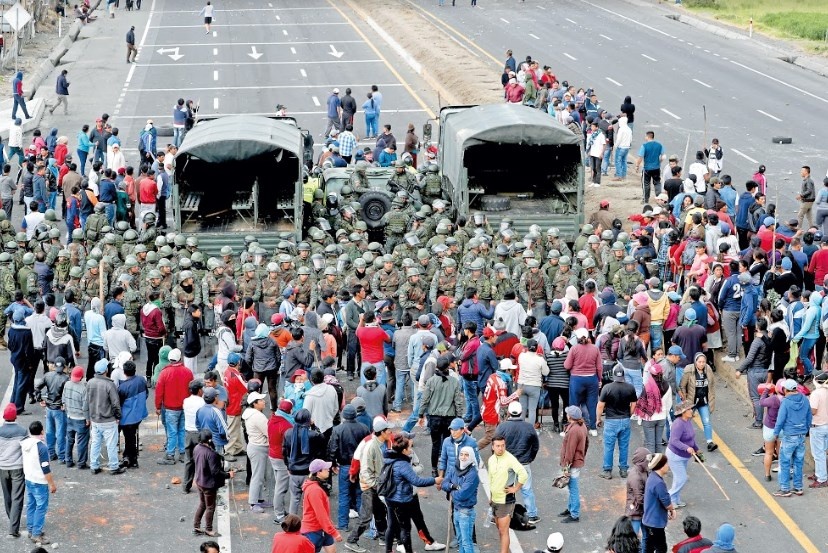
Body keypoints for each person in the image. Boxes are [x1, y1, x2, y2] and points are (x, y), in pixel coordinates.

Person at [344, 417, 390, 553]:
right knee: (366, 516)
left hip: (375, 485)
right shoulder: (371, 446)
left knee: (380, 512)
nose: (390, 433)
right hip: (370, 487)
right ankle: (351, 540)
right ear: (382, 432)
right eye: (388, 431)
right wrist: (375, 485)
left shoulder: (378, 443)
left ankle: (383, 537)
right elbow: (365, 470)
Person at [383, 433, 436, 553]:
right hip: (401, 500)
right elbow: (417, 481)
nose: (411, 449)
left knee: (394, 525)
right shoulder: (402, 464)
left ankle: (389, 550)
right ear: (404, 450)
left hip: (392, 497)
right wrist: (435, 480)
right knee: (405, 528)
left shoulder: (389, 457)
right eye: (409, 448)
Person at [495, 403, 539, 523]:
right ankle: (532, 514)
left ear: (509, 412)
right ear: (521, 412)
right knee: (527, 489)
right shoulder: (529, 427)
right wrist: (530, 457)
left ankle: (498, 513)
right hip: (523, 462)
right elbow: (535, 445)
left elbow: (496, 444)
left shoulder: (502, 427)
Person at [328, 403, 369, 530]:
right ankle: (363, 523)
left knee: (344, 495)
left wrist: (333, 464)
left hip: (345, 466)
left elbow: (332, 449)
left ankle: (342, 524)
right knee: (361, 494)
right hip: (360, 467)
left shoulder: (338, 430)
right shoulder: (364, 428)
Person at [419, 356, 464, 471]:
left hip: (434, 418)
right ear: (448, 366)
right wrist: (459, 417)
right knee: (449, 444)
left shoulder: (431, 381)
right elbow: (458, 401)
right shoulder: (454, 381)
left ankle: (434, 468)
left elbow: (425, 400)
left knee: (435, 445)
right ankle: (447, 468)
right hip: (449, 418)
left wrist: (421, 414)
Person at [772, 379, 812, 497]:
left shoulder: (785, 402)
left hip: (789, 436)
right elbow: (809, 417)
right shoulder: (805, 399)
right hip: (801, 436)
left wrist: (775, 434)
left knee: (784, 463)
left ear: (785, 390)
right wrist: (805, 429)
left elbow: (780, 420)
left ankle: (785, 489)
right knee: (798, 462)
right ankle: (798, 487)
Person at [283, 408, 326, 516]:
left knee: (294, 499)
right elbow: (322, 443)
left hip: (293, 471)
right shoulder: (313, 435)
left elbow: (284, 452)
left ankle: (291, 523)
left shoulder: (288, 433)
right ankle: (309, 522)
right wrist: (314, 426)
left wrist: (288, 466)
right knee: (310, 500)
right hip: (308, 473)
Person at [597, 365, 637, 480]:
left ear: (613, 375)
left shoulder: (607, 387)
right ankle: (623, 469)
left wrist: (598, 419)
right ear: (623, 375)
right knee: (624, 446)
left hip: (611, 420)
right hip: (624, 419)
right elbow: (634, 404)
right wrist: (629, 414)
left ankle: (607, 470)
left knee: (609, 446)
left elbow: (600, 405)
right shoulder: (630, 388)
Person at [488, 435, 527, 551]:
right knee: (500, 530)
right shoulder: (491, 459)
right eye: (498, 446)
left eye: (503, 445)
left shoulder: (510, 459)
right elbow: (491, 479)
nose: (501, 448)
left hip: (506, 501)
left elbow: (523, 474)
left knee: (504, 531)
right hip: (495, 500)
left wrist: (515, 488)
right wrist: (491, 497)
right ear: (493, 447)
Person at [155, 348, 194, 464]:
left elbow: (159, 391)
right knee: (182, 430)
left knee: (172, 432)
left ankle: (170, 454)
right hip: (184, 406)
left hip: (170, 408)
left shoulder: (164, 373)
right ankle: (183, 454)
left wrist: (157, 406)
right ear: (180, 358)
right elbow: (192, 388)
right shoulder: (187, 372)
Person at [193, 429, 234, 537]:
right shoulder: (211, 454)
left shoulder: (197, 448)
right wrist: (228, 475)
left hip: (199, 480)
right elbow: (215, 472)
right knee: (210, 507)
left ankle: (196, 526)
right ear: (210, 439)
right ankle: (208, 529)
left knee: (202, 504)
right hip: (208, 484)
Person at [87, 359, 125, 475]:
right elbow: (115, 403)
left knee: (95, 443)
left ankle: (94, 465)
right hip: (108, 419)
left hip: (95, 419)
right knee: (111, 444)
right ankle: (114, 466)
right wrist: (118, 416)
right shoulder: (109, 384)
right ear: (106, 371)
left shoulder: (90, 382)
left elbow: (86, 401)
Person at [21, 421, 56, 545]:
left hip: (29, 479)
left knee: (31, 505)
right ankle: (36, 533)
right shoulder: (42, 447)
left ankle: (31, 530)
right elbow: (45, 468)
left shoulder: (25, 443)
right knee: (41, 507)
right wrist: (51, 484)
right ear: (42, 431)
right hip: (39, 482)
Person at [440, 445, 479, 553]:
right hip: (456, 510)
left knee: (467, 542)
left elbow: (462, 495)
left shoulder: (473, 474)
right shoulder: (454, 468)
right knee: (461, 541)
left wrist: (451, 490)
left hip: (466, 512)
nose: (463, 457)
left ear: (471, 457)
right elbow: (444, 484)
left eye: (466, 455)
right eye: (461, 454)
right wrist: (454, 486)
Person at [678, 352, 717, 452]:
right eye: (699, 362)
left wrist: (711, 398)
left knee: (707, 421)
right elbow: (682, 385)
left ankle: (709, 442)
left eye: (703, 362)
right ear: (695, 362)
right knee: (686, 421)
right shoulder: (689, 370)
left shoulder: (708, 369)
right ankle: (682, 441)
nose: (702, 364)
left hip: (703, 401)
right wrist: (685, 400)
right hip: (691, 401)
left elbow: (712, 385)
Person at [0, 403, 27, 538]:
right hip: (17, 467)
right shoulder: (22, 431)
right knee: (17, 497)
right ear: (15, 416)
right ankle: (13, 527)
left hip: (3, 467)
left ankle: (12, 519)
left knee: (7, 496)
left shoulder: (0, 431)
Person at [666, 401, 698, 509]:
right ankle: (669, 498)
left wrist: (696, 449)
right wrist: (686, 448)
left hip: (684, 456)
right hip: (675, 456)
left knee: (678, 478)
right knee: (681, 478)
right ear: (683, 412)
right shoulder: (678, 424)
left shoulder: (688, 421)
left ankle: (675, 500)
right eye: (688, 409)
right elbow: (674, 440)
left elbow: (691, 438)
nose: (691, 410)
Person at [558, 405, 588, 523]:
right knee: (571, 487)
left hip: (573, 464)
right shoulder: (582, 426)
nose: (566, 414)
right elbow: (586, 444)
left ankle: (574, 514)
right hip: (577, 461)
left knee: (573, 488)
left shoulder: (574, 430)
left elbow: (570, 450)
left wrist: (566, 467)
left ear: (570, 416)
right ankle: (570, 508)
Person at [243, 391, 272, 513]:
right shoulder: (258, 416)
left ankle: (259, 499)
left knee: (259, 475)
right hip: (259, 447)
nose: (263, 401)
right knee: (257, 476)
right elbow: (268, 432)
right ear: (254, 404)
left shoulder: (250, 414)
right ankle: (253, 502)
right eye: (260, 400)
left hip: (254, 446)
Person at [641, 453, 675, 553]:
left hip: (648, 520)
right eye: (666, 463)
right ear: (660, 466)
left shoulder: (652, 477)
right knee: (661, 548)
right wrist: (672, 509)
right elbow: (667, 503)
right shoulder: (659, 483)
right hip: (655, 523)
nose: (668, 465)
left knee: (649, 548)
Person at [269, 399, 295, 524]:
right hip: (281, 458)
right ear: (290, 410)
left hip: (272, 454)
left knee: (278, 484)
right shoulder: (286, 425)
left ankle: (280, 510)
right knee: (281, 488)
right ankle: (279, 514)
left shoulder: (272, 419)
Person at [118, 361, 148, 468]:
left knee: (129, 438)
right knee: (131, 437)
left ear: (124, 372)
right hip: (138, 415)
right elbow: (146, 394)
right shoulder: (141, 380)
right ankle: (131, 457)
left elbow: (118, 404)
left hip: (127, 418)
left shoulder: (123, 387)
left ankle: (131, 458)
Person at [809, 371, 828, 489]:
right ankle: (819, 474)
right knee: (824, 452)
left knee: (818, 454)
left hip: (818, 426)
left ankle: (822, 478)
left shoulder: (816, 394)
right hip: (827, 425)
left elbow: (813, 411)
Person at [635, 131, 664, 204]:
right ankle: (659, 199)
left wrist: (637, 166)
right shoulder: (659, 145)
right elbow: (663, 156)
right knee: (657, 183)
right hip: (656, 168)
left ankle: (645, 199)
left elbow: (640, 157)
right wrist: (659, 162)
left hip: (647, 169)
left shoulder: (644, 146)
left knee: (646, 184)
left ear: (648, 137)